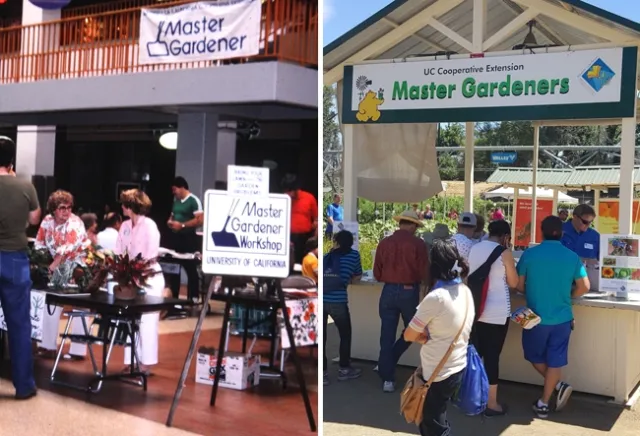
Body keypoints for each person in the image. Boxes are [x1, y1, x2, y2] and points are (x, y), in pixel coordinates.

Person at [517, 216, 590, 418]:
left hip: (534, 317)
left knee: (533, 356)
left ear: (541, 232)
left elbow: (519, 285)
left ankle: (557, 388)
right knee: (555, 360)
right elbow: (584, 286)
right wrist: (568, 296)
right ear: (562, 233)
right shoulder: (572, 256)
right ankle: (544, 401)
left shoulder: (529, 255)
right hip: (563, 318)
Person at [403, 238, 474, 436]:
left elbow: (408, 334)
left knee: (433, 423)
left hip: (437, 371)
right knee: (435, 416)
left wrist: (421, 338)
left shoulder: (436, 297)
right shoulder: (465, 291)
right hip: (457, 365)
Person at [0, 136, 41, 400]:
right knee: (19, 324)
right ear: (11, 160)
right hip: (15, 258)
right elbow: (34, 218)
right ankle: (24, 386)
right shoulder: (26, 187)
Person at [373, 210, 429, 392]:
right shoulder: (418, 244)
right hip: (408, 291)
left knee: (386, 334)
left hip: (388, 290)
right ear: (412, 225)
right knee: (414, 330)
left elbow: (377, 273)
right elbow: (424, 272)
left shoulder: (384, 243)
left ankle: (386, 370)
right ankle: (388, 362)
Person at [468, 220, 518, 416]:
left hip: (476, 310)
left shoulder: (474, 248)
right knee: (491, 358)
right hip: (497, 313)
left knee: (475, 355)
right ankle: (491, 403)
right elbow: (513, 283)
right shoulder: (503, 253)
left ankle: (471, 397)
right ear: (505, 236)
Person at [34, 190, 89, 361]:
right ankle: (47, 345)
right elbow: (39, 244)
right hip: (56, 265)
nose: (66, 211)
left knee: (81, 306)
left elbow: (65, 252)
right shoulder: (47, 221)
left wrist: (49, 268)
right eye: (62, 208)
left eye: (69, 207)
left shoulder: (75, 223)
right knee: (50, 302)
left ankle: (78, 350)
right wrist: (40, 263)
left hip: (78, 266)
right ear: (53, 209)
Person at [117, 189, 165, 375]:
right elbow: (119, 250)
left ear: (131, 206)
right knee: (131, 319)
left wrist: (137, 271)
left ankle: (146, 363)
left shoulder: (150, 226)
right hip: (130, 278)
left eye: (124, 204)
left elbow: (150, 255)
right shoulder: (125, 226)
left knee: (147, 320)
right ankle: (131, 360)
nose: (122, 207)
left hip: (150, 277)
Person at [323, 230, 362, 386]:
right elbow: (357, 276)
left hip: (322, 299)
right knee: (345, 335)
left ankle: (323, 374)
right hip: (338, 301)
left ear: (337, 242)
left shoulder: (328, 256)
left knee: (322, 338)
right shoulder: (354, 256)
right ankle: (344, 370)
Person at [166, 176, 203, 302]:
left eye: (175, 189)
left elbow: (200, 220)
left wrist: (182, 225)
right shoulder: (176, 201)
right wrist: (170, 222)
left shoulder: (194, 200)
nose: (174, 192)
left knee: (190, 268)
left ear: (182, 188)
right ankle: (174, 298)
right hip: (176, 239)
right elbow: (173, 215)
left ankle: (193, 297)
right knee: (175, 268)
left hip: (189, 239)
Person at [281, 174, 318, 265]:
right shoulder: (283, 199)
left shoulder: (309, 198)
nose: (288, 193)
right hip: (287, 236)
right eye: (286, 191)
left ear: (296, 189)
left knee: (304, 263)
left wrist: (316, 235)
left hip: (305, 238)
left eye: (290, 190)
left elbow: (317, 219)